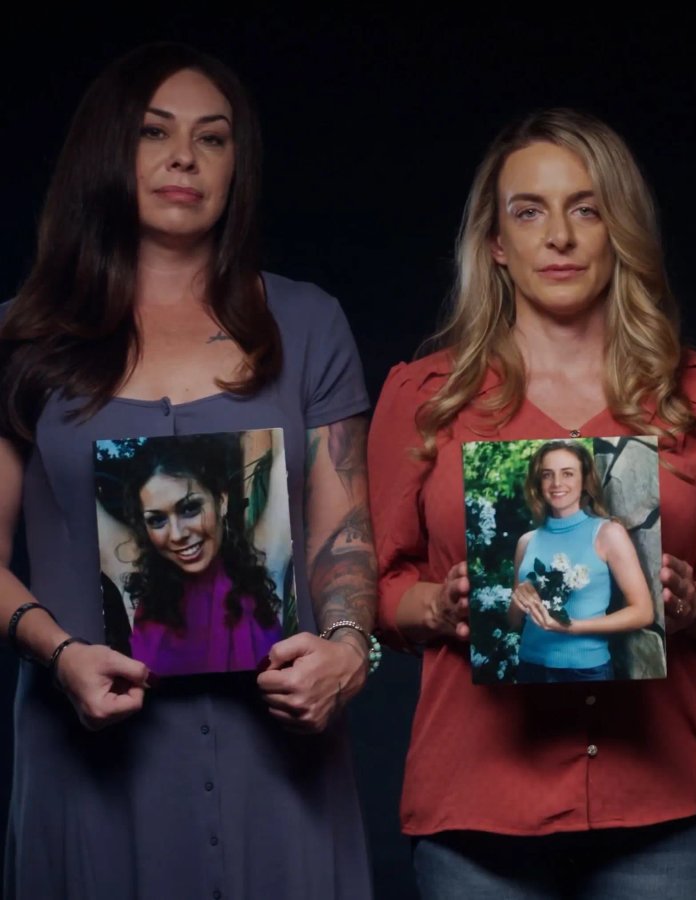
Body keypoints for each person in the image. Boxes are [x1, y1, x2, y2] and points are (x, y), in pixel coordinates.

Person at [0, 43, 377, 898]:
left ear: (236, 166)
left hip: (279, 756)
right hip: (88, 753)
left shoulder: (308, 322)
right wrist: (58, 655)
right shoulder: (22, 337)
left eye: (213, 139)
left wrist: (350, 653)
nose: (184, 158)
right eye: (154, 133)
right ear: (107, 150)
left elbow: (344, 532)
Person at [368, 108, 696, 898]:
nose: (559, 236)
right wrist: (439, 607)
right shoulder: (423, 397)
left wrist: (688, 606)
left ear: (618, 231)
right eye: (529, 211)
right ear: (495, 244)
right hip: (477, 806)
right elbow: (376, 591)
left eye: (585, 208)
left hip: (661, 806)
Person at [107, 432, 287, 675]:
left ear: (221, 500)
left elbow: (292, 443)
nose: (177, 534)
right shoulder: (136, 580)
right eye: (157, 520)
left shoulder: (264, 562)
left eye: (190, 508)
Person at [505, 439, 654, 683]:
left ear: (584, 481)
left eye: (567, 474)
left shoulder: (608, 533)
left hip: (586, 671)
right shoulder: (526, 541)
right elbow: (513, 622)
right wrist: (518, 598)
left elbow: (643, 612)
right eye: (547, 475)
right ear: (538, 483)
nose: (556, 484)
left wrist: (572, 627)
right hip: (529, 666)